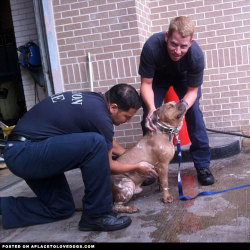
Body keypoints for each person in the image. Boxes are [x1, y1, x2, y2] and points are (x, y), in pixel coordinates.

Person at [0, 83, 158, 231]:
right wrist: (137, 167)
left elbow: (109, 141)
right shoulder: (100, 117)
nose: (128, 121)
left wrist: (132, 159)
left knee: (61, 208)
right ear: (113, 107)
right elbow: (108, 164)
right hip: (24, 153)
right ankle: (97, 215)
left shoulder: (95, 102)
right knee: (95, 144)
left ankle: (4, 206)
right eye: (126, 116)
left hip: (30, 152)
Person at [139, 16, 214, 186]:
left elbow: (193, 91)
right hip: (158, 77)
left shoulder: (196, 56)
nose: (177, 51)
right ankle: (149, 168)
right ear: (166, 37)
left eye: (183, 46)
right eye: (173, 44)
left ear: (191, 42)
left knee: (194, 113)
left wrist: (183, 108)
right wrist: (152, 108)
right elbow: (146, 83)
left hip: (184, 77)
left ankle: (202, 166)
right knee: (149, 115)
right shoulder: (152, 46)